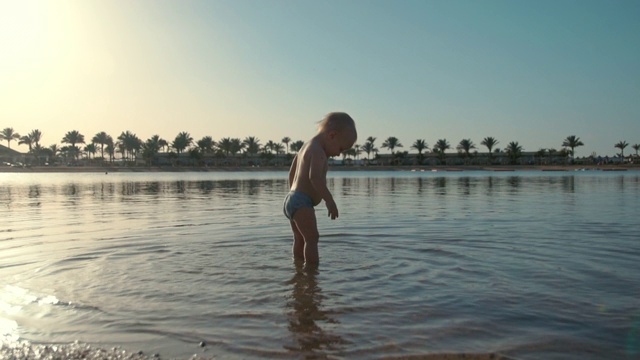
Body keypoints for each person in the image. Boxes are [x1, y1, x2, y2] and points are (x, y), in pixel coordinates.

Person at [283, 112, 357, 264]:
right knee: (312, 239)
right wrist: (329, 201)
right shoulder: (318, 152)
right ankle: (311, 274)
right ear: (332, 136)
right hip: (302, 202)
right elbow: (315, 178)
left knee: (299, 238)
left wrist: (293, 194)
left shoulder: (305, 147)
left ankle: (298, 269)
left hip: (291, 199)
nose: (338, 154)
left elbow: (291, 173)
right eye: (341, 149)